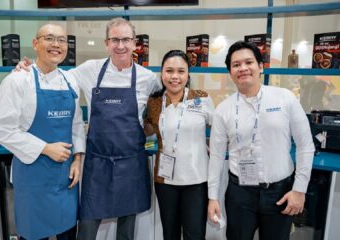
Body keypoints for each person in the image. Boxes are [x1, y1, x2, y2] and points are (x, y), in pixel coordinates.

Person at [16, 17, 161, 240]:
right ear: (106, 43)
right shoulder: (89, 70)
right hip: (98, 163)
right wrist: (29, 69)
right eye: (114, 40)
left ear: (134, 43)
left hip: (131, 163)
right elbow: (54, 77)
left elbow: (167, 94)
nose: (120, 46)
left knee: (127, 229)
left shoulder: (148, 78)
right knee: (87, 227)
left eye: (125, 40)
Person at [207, 41, 315, 240]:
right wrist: (212, 196)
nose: (243, 68)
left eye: (249, 62)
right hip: (239, 194)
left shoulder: (285, 98)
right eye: (236, 65)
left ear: (261, 66)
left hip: (280, 192)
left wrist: (299, 189)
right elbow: (215, 156)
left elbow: (306, 146)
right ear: (230, 72)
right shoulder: (223, 109)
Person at [0, 23, 86, 240]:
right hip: (33, 177)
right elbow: (2, 130)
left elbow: (77, 124)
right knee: (34, 234)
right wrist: (45, 148)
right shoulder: (17, 80)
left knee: (68, 233)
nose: (56, 45)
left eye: (62, 40)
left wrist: (78, 160)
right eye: (49, 38)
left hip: (66, 177)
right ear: (35, 44)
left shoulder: (70, 80)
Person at [144, 49, 214, 240]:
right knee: (170, 233)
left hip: (196, 181)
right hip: (165, 181)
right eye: (169, 71)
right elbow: (149, 131)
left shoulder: (201, 98)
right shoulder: (154, 101)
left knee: (194, 233)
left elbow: (218, 132)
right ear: (162, 73)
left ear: (188, 74)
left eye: (181, 71)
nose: (175, 76)